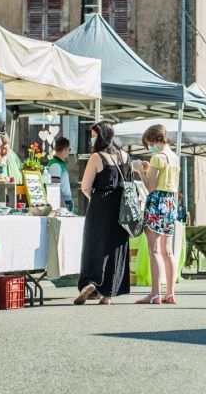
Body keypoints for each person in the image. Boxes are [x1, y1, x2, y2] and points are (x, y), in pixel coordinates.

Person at [74, 122, 131, 306]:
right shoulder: (125, 156)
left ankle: (90, 283)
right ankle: (108, 295)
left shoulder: (97, 157)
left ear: (101, 136)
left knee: (94, 246)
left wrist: (95, 198)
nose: (92, 138)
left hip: (100, 205)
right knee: (116, 248)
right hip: (122, 208)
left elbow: (85, 186)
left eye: (93, 135)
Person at [135, 124, 180, 305]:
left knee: (154, 249)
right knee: (167, 251)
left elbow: (150, 186)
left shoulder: (157, 157)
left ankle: (155, 293)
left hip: (156, 203)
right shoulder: (174, 157)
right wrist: (148, 169)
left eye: (149, 144)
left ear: (154, 140)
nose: (149, 147)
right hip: (170, 203)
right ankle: (170, 292)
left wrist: (139, 170)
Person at [47, 137, 73, 212]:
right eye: (69, 149)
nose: (69, 152)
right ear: (64, 149)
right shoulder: (55, 165)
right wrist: (63, 207)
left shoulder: (59, 163)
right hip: (63, 203)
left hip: (65, 201)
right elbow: (56, 188)